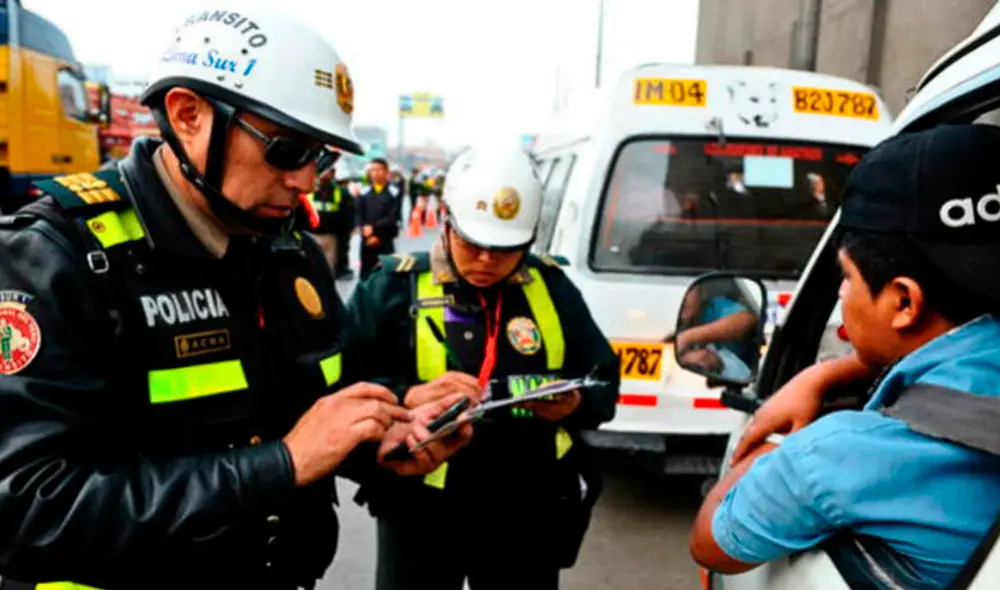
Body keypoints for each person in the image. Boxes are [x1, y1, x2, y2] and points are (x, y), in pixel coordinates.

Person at [0, 9, 470, 590]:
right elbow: (24, 509)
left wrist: (386, 433)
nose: (306, 181)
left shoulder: (289, 252)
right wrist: (281, 465)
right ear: (188, 115)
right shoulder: (58, 256)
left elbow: (309, 413)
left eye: (321, 157)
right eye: (287, 149)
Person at [689, 124, 1000, 588]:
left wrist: (778, 447)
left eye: (847, 275)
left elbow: (710, 543)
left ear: (903, 303)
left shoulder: (843, 454)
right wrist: (836, 370)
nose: (840, 291)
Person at [347, 145, 621, 590]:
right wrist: (405, 398)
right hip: (421, 509)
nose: (488, 261)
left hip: (527, 508)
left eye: (506, 249)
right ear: (447, 221)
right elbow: (341, 386)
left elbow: (604, 382)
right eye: (474, 244)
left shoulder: (552, 288)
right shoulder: (391, 288)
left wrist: (575, 403)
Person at [355, 158, 401, 280]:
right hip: (367, 239)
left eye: (378, 170)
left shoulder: (394, 192)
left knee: (387, 273)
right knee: (366, 273)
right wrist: (366, 232)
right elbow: (359, 214)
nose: (374, 173)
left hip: (385, 238)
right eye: (372, 170)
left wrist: (374, 229)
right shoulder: (364, 192)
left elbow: (392, 217)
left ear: (386, 172)